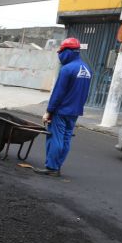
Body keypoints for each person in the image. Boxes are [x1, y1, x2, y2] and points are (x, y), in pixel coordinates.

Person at [33, 37, 92, 176]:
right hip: (75, 111)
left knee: (55, 138)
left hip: (61, 111)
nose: (59, 55)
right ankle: (57, 166)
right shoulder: (87, 69)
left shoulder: (67, 69)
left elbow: (58, 93)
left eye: (61, 51)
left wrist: (49, 111)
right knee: (66, 139)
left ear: (68, 51)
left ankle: (51, 168)